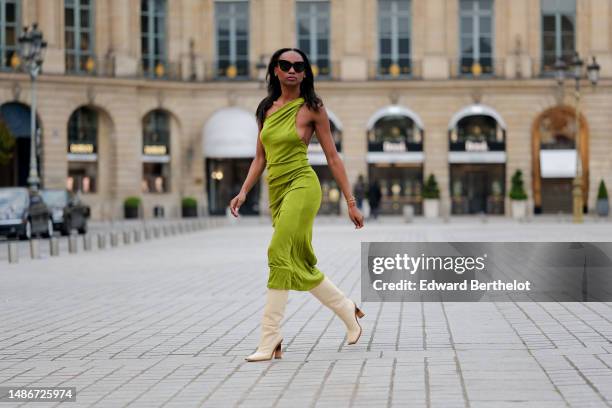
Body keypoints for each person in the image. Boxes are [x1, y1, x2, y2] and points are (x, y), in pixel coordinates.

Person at [229, 47, 366, 362]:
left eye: (298, 66)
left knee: (277, 253)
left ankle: (269, 339)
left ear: (305, 73)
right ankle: (347, 310)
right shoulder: (266, 109)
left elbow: (332, 156)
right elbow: (260, 157)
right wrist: (244, 191)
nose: (291, 70)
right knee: (298, 263)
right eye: (285, 64)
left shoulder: (313, 108)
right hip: (276, 191)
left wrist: (351, 201)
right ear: (275, 70)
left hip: (303, 186)